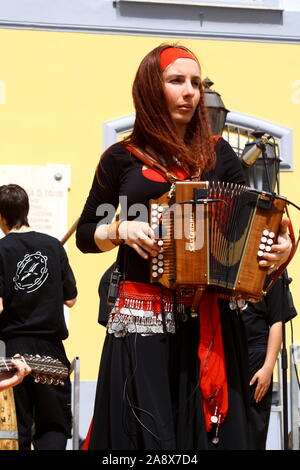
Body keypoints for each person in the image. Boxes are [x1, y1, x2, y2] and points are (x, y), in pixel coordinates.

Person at [76, 44, 292, 450]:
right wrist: (120, 230)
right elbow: (88, 232)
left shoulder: (218, 155)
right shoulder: (121, 158)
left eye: (196, 82)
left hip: (208, 322)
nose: (190, 92)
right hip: (143, 320)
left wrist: (277, 246)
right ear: (150, 89)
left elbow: (253, 219)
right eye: (176, 81)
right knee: (147, 437)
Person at [0, 184, 77, 450]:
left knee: (15, 430)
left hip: (13, 354)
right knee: (53, 427)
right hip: (51, 354)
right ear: (26, 210)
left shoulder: (1, 250)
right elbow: (71, 299)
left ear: (1, 216)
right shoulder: (53, 247)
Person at [242, 275, 297, 450]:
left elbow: (276, 322)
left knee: (255, 428)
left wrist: (267, 367)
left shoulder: (271, 271)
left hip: (257, 356)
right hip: (229, 352)